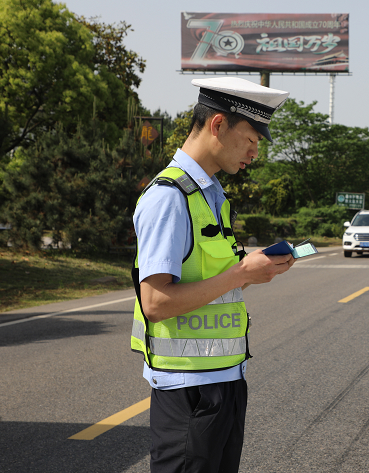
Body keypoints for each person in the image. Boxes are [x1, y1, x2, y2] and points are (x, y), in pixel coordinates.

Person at [130, 77, 293, 473]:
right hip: (189, 394)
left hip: (223, 383)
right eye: (251, 139)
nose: (255, 153)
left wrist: (250, 270)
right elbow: (154, 302)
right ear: (218, 125)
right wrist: (241, 274)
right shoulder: (170, 198)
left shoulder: (212, 195)